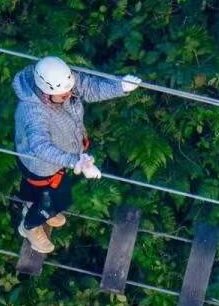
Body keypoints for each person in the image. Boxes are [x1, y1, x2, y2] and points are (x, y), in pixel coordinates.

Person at [13, 56, 141, 255]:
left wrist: (120, 87)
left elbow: (90, 88)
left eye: (69, 91)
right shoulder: (33, 111)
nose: (68, 95)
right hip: (41, 165)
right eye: (62, 96)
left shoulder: (64, 82)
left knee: (49, 195)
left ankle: (39, 207)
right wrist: (76, 162)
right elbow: (40, 146)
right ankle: (29, 226)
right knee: (56, 199)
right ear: (45, 92)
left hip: (62, 156)